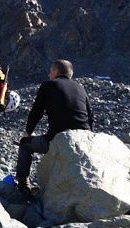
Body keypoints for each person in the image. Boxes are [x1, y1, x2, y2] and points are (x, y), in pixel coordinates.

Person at [16, 59, 93, 191]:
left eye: (50, 71)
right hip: (83, 140)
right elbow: (90, 116)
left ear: (56, 71)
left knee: (24, 144)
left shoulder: (48, 85)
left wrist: (28, 132)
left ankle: (23, 185)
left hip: (59, 139)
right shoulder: (80, 88)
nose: (48, 74)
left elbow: (36, 112)